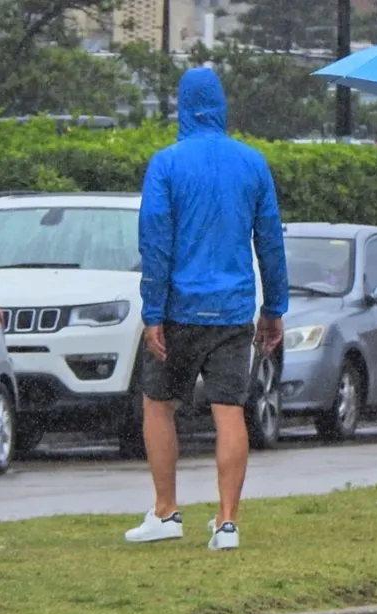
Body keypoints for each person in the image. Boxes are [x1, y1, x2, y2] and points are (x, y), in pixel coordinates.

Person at [124, 67, 289, 551]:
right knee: (230, 412)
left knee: (158, 405)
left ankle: (165, 510)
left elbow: (155, 241)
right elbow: (270, 242)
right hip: (234, 310)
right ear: (222, 106)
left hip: (177, 309)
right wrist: (273, 307)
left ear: (181, 106)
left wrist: (152, 311)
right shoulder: (253, 164)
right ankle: (228, 522)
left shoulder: (166, 165)